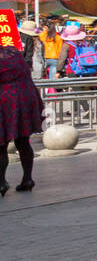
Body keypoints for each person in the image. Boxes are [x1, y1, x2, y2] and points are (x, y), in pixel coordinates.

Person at [0, 40, 41, 195]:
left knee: (1, 144)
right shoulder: (13, 52)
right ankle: (27, 179)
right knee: (23, 140)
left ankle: (1, 182)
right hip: (25, 98)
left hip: (4, 101)